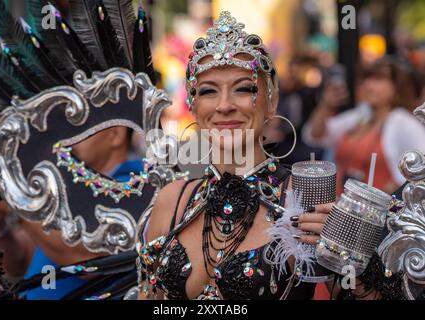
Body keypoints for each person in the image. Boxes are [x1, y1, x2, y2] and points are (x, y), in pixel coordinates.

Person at [136, 12, 381, 300]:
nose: (225, 105)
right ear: (193, 105)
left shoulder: (301, 199)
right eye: (208, 91)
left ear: (272, 101)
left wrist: (348, 252)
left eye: (243, 88)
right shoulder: (173, 201)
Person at [0, 126, 141, 299]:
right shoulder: (74, 188)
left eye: (83, 128)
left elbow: (86, 259)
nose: (68, 137)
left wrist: (17, 201)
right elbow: (22, 259)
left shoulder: (131, 188)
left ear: (115, 134)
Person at [303, 58, 425, 195]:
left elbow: (421, 168)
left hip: (374, 213)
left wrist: (390, 196)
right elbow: (314, 136)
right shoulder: (360, 116)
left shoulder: (403, 122)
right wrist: (325, 105)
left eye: (378, 79)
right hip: (340, 205)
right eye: (367, 78)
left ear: (398, 86)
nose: (368, 85)